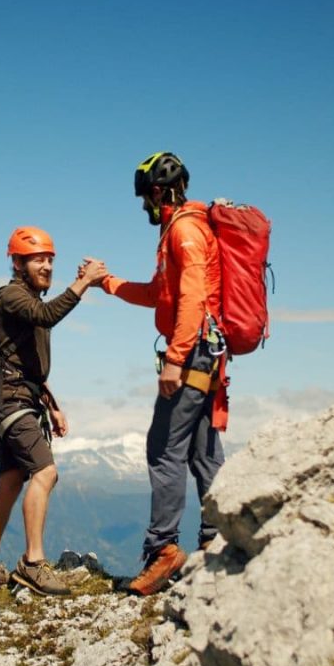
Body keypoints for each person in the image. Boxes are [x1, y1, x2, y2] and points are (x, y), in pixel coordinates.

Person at [99, 151, 227, 596]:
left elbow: (191, 297)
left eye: (144, 199)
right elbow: (160, 293)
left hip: (192, 355)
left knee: (163, 449)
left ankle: (164, 551)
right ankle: (217, 538)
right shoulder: (181, 230)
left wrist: (176, 357)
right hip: (206, 354)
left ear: (157, 192)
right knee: (202, 450)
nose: (143, 209)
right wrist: (109, 283)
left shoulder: (186, 231)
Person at [0, 226, 106, 596]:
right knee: (45, 472)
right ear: (17, 263)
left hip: (14, 398)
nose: (46, 265)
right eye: (37, 259)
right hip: (11, 400)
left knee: (12, 480)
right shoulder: (14, 296)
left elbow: (23, 362)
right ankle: (33, 563)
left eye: (49, 259)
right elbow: (46, 315)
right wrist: (83, 285)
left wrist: (51, 404)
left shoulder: (24, 300)